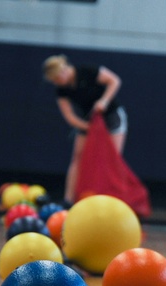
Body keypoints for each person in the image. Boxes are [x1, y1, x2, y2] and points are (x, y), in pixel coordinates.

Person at [43, 54, 127, 205]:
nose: (57, 82)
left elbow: (114, 80)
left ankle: (112, 199)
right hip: (88, 121)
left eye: (57, 78)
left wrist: (104, 101)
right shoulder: (62, 90)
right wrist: (90, 128)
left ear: (63, 71)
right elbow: (70, 117)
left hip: (112, 116)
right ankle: (68, 199)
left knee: (113, 159)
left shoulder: (88, 71)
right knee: (78, 156)